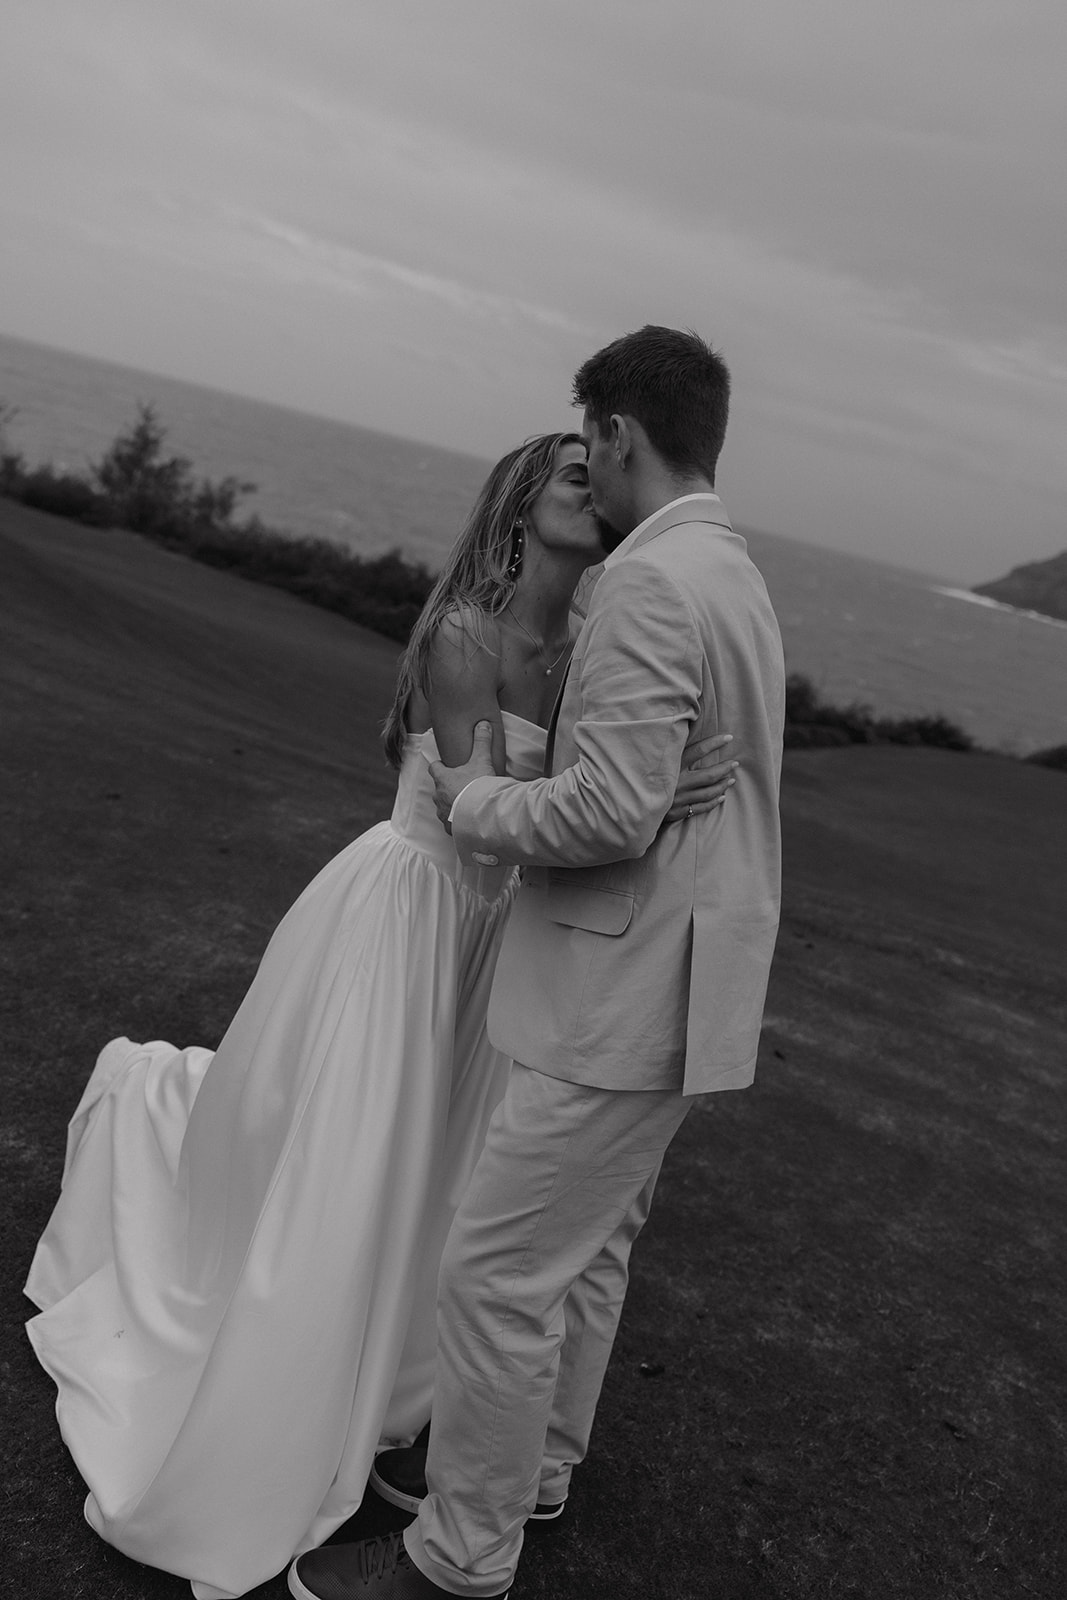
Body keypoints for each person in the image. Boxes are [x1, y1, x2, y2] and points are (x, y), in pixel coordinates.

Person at [24, 430, 736, 1600]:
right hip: (410, 912)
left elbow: (583, 798)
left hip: (502, 934)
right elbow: (477, 816)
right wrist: (644, 805)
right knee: (354, 1159)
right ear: (520, 502)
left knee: (443, 1169)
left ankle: (418, 1379)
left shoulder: (589, 644)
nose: (588, 490)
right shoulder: (463, 635)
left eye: (591, 478)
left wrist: (645, 789)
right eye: (567, 476)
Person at [290, 326, 786, 1600]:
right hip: (684, 984)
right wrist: (637, 788)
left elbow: (603, 816)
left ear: (619, 434)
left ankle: (456, 1561)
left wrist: (475, 807)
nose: (588, 474)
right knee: (592, 1250)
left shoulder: (649, 584)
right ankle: (540, 1465)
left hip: (613, 986)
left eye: (591, 447)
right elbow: (644, 789)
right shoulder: (732, 571)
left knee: (499, 1274)